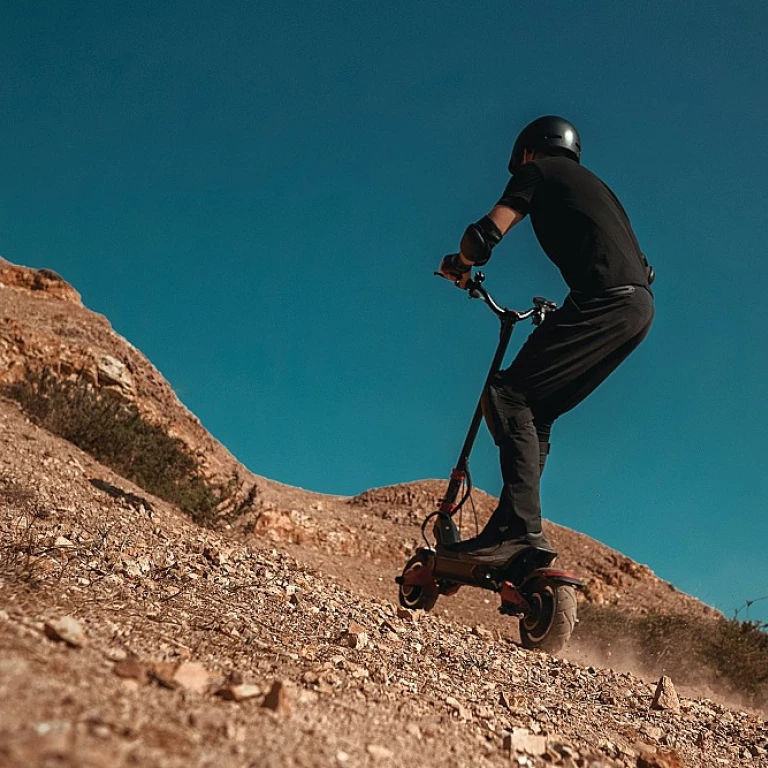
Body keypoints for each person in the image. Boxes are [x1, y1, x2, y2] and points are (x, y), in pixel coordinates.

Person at [437, 115, 655, 566]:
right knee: (537, 411)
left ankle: (519, 531)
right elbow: (643, 267)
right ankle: (511, 531)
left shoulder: (537, 172)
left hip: (603, 302)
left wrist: (460, 262)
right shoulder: (599, 189)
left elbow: (483, 236)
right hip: (636, 308)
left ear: (528, 151)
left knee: (505, 394)